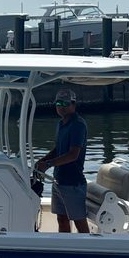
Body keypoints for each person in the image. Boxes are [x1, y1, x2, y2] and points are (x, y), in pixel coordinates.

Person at [32, 88, 90, 233]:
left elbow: (73, 154)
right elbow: (58, 149)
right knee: (61, 219)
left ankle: (88, 245)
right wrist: (42, 160)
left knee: (79, 221)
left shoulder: (78, 125)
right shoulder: (61, 124)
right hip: (58, 181)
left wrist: (48, 164)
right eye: (59, 103)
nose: (61, 107)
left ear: (73, 104)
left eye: (65, 103)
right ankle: (65, 244)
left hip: (73, 183)